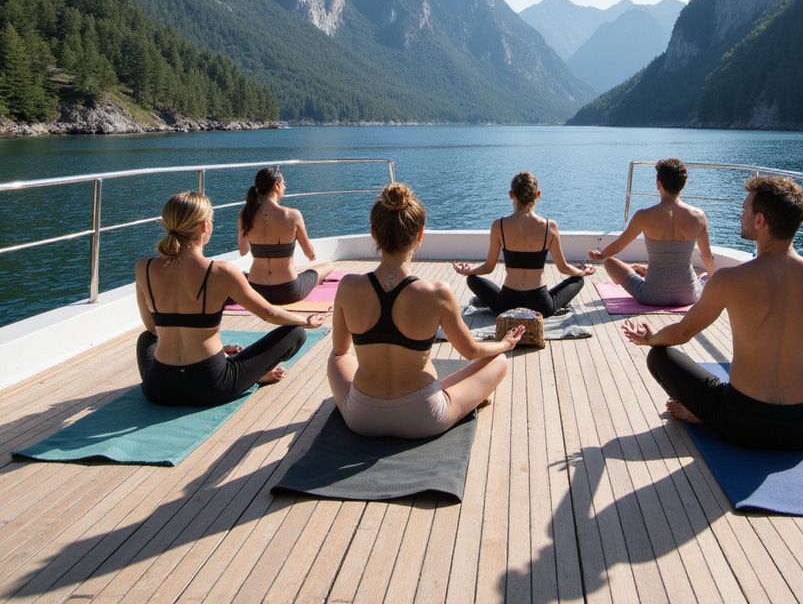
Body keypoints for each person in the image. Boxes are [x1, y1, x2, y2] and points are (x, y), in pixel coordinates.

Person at [623, 174, 803, 450]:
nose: (741, 216)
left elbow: (682, 333)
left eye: (744, 210)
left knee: (659, 356)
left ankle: (704, 414)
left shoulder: (729, 279)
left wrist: (650, 339)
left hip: (741, 423)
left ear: (760, 221)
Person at [328, 183, 525, 439]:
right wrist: (504, 344)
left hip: (362, 416)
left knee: (336, 357)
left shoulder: (348, 286)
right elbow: (471, 351)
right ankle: (457, 397)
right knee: (497, 361)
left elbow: (340, 351)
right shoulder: (437, 293)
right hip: (423, 417)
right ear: (420, 235)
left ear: (374, 233)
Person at [135, 191, 326, 407]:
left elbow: (152, 328)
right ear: (205, 226)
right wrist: (305, 321)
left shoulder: (144, 267)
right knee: (295, 332)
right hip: (211, 385)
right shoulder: (221, 271)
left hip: (159, 388)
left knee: (145, 339)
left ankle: (236, 365)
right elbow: (269, 313)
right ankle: (254, 374)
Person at [452, 171, 595, 318]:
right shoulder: (549, 226)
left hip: (506, 304)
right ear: (538, 194)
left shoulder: (499, 225)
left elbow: (488, 267)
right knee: (578, 280)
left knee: (472, 280)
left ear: (511, 194)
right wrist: (582, 272)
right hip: (540, 305)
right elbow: (563, 267)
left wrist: (468, 272)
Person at [589, 158, 715, 306]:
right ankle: (642, 269)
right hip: (688, 296)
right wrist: (714, 283)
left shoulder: (644, 216)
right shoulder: (698, 216)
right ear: (683, 185)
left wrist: (602, 255)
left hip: (652, 295)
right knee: (706, 276)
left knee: (610, 263)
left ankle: (639, 269)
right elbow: (707, 257)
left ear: (658, 183)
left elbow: (618, 246)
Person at [238, 167, 342, 305]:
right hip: (288, 291)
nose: (285, 187)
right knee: (329, 266)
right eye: (283, 183)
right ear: (277, 185)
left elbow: (243, 251)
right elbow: (309, 253)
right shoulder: (292, 215)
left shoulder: (245, 215)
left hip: (256, 290)